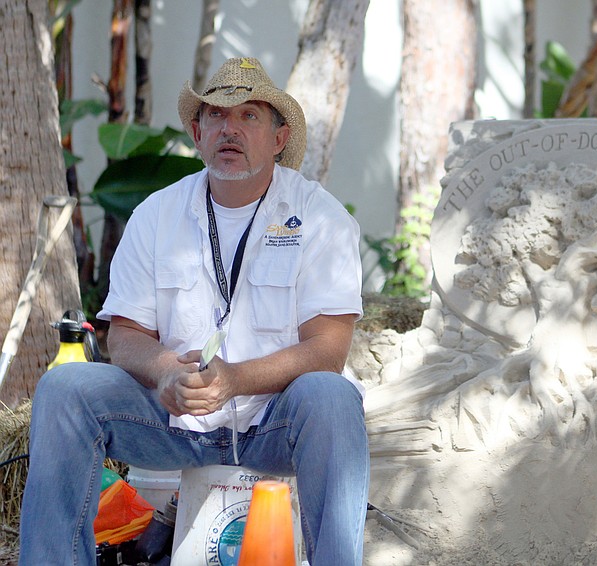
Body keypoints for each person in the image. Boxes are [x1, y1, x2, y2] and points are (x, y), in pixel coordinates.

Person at [19, 57, 369, 566]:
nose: (230, 128)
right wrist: (164, 372)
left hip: (273, 424)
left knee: (333, 396)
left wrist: (235, 379)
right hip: (172, 421)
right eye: (215, 115)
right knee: (65, 388)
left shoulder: (321, 217)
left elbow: (329, 349)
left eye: (249, 115)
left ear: (279, 137)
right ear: (197, 132)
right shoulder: (155, 214)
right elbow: (125, 335)